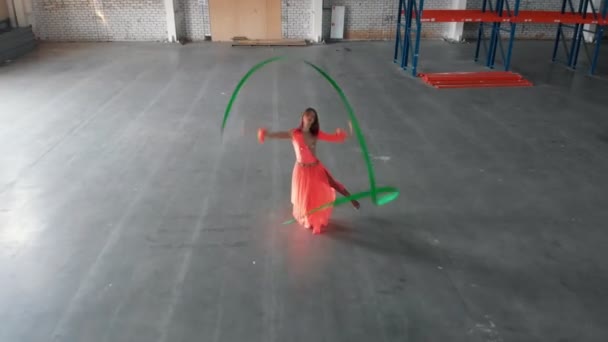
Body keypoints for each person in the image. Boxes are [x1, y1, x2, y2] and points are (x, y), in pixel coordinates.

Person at [257, 107, 360, 234]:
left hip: (315, 167)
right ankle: (310, 218)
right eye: (308, 115)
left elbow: (334, 138)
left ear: (314, 120)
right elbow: (279, 135)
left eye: (313, 116)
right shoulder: (294, 133)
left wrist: (349, 130)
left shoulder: (315, 134)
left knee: (332, 183)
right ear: (303, 117)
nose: (310, 118)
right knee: (306, 197)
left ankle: (352, 199)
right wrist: (266, 134)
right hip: (301, 171)